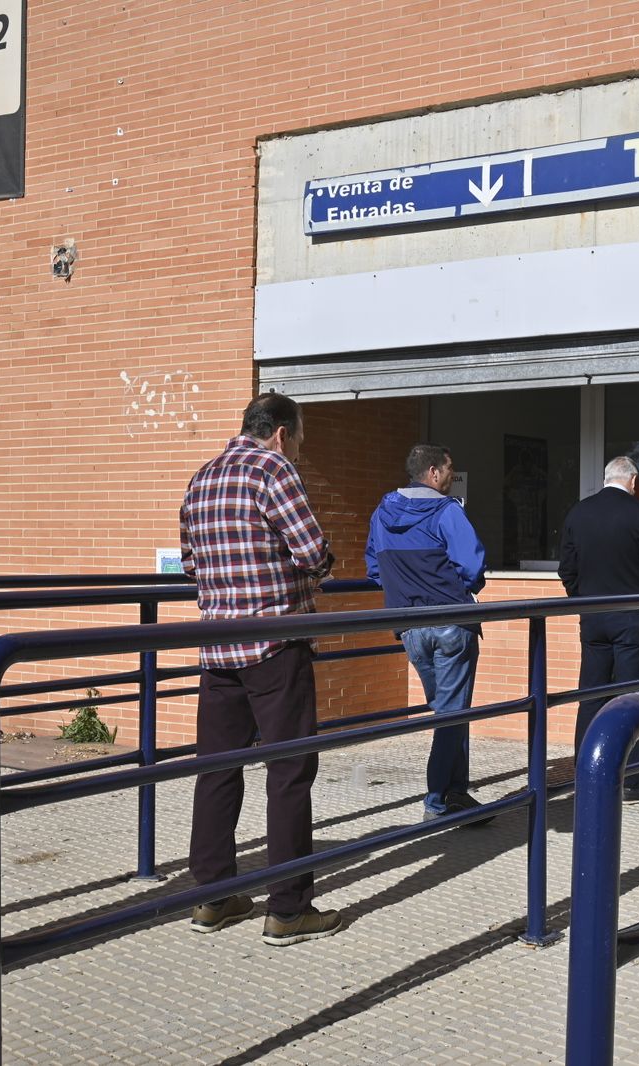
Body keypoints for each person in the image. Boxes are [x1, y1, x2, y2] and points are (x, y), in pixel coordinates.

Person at [179, 392, 342, 945]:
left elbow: (190, 564)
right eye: (298, 438)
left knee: (217, 771)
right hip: (276, 643)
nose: (297, 449)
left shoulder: (203, 477)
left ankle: (212, 897)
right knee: (290, 772)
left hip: (217, 645)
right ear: (280, 432)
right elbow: (311, 550)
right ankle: (289, 908)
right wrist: (317, 569)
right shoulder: (273, 469)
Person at [366, 444, 490, 822]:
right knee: (451, 714)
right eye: (450, 469)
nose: (453, 476)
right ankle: (439, 799)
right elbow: (473, 566)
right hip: (451, 621)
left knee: (447, 711)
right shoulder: (447, 511)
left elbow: (374, 566)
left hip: (409, 626)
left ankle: (455, 793)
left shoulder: (382, 513)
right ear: (433, 473)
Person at [559, 456, 639, 803]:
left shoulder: (579, 512)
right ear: (634, 481)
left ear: (607, 478)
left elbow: (567, 568)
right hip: (631, 616)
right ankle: (632, 780)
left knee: (590, 694)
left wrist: (582, 599)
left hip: (593, 617)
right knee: (631, 695)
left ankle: (585, 770)